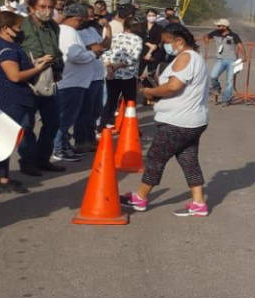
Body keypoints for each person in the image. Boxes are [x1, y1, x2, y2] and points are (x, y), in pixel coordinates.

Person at [120, 23, 210, 217]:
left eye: (167, 42)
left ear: (179, 41)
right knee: (188, 160)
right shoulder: (196, 58)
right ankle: (198, 201)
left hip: (178, 121)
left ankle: (140, 197)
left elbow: (173, 86)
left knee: (155, 158)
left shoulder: (185, 57)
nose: (164, 46)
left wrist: (149, 91)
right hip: (193, 120)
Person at [0, 13, 55, 193]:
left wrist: (36, 62)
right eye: (18, 27)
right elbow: (14, 76)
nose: (21, 30)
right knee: (6, 139)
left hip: (1, 96)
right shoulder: (7, 49)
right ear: (6, 28)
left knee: (3, 138)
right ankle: (2, 178)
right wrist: (37, 68)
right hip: (12, 98)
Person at [17, 0, 65, 174]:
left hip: (49, 77)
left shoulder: (53, 26)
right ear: (32, 8)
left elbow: (56, 49)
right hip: (29, 77)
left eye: (50, 7)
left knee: (53, 122)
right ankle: (27, 161)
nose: (47, 11)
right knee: (27, 124)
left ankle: (42, 158)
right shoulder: (22, 25)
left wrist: (58, 69)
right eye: (43, 7)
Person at [54, 4, 105, 162]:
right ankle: (58, 149)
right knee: (65, 119)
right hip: (71, 83)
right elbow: (75, 55)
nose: (82, 23)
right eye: (81, 20)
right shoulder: (69, 32)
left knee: (67, 117)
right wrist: (92, 54)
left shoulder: (64, 31)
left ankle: (63, 146)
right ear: (77, 19)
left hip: (73, 81)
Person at [74, 8, 110, 153]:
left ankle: (90, 138)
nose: (92, 17)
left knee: (96, 111)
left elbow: (106, 45)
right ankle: (81, 141)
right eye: (88, 15)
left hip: (98, 75)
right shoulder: (79, 33)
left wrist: (108, 28)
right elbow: (97, 48)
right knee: (85, 111)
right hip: (87, 76)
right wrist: (100, 47)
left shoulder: (92, 30)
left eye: (93, 15)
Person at [101, 17, 144, 127]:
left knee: (110, 101)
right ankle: (130, 127)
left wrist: (110, 68)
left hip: (112, 75)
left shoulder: (115, 37)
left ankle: (102, 126)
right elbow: (133, 58)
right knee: (130, 102)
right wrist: (116, 66)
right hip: (129, 76)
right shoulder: (137, 39)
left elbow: (105, 53)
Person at [203, 18, 244, 107]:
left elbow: (240, 45)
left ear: (225, 26)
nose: (217, 27)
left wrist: (244, 56)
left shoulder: (234, 35)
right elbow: (206, 36)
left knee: (229, 81)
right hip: (220, 59)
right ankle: (217, 88)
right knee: (213, 76)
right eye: (217, 26)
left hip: (231, 60)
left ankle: (226, 99)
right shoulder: (215, 33)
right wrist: (206, 40)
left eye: (219, 26)